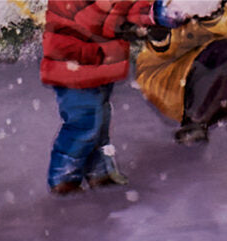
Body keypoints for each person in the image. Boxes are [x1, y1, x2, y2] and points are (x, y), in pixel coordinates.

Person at [41, 0, 182, 195]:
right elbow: (87, 17)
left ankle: (99, 171)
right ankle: (64, 175)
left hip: (101, 61)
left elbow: (130, 6)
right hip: (73, 61)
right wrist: (123, 27)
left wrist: (155, 14)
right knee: (85, 122)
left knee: (100, 119)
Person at [136, 0, 227, 144]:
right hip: (173, 80)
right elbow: (165, 47)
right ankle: (194, 122)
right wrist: (161, 39)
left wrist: (211, 15)